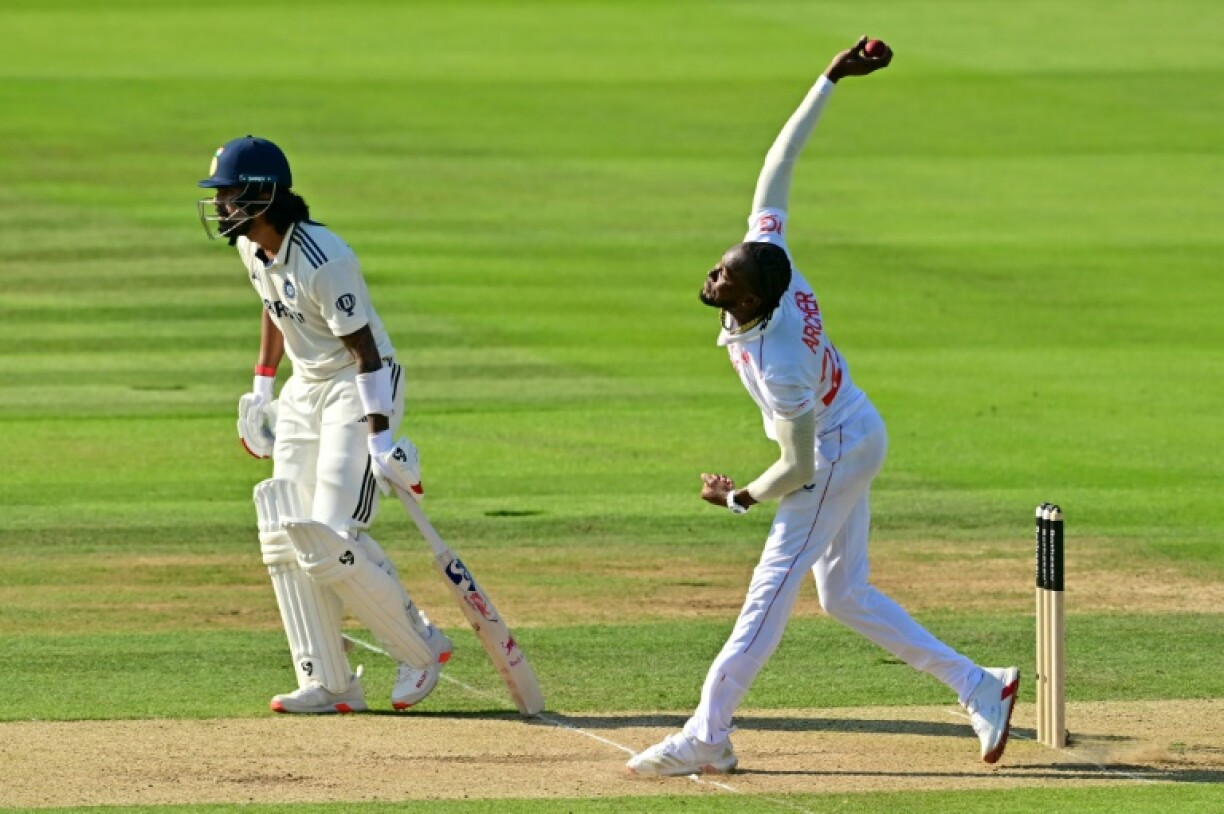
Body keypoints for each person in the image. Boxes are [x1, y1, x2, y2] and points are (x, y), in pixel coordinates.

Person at [626, 39, 1019, 776]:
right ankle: (980, 684)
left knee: (767, 596)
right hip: (853, 429)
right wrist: (829, 79)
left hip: (832, 450)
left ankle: (707, 735)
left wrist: (740, 498)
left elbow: (798, 464)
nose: (713, 275)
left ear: (752, 299)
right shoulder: (767, 262)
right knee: (844, 596)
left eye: (724, 278)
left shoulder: (782, 364)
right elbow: (779, 163)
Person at [197, 135, 452, 713]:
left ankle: (420, 646)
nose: (220, 206)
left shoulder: (324, 258)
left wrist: (380, 439)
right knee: (288, 530)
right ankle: (331, 682)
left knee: (333, 536)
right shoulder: (252, 248)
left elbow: (365, 353)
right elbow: (274, 307)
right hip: (305, 388)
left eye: (229, 194)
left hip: (355, 385)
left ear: (262, 196)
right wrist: (263, 386)